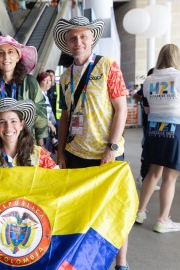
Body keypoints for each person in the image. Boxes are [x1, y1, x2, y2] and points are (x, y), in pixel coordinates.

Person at [52, 16, 129, 270]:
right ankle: (82, 260)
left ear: (92, 39)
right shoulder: (64, 77)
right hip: (75, 153)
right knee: (82, 210)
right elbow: (65, 116)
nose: (78, 42)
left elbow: (121, 109)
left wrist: (113, 147)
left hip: (105, 154)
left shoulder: (108, 66)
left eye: (83, 36)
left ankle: (122, 263)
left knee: (114, 209)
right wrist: (61, 152)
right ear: (66, 42)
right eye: (73, 37)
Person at [136, 44, 180, 233]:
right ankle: (163, 220)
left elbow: (147, 110)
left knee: (152, 172)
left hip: (155, 130)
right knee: (170, 178)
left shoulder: (149, 79)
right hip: (178, 130)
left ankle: (140, 212)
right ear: (177, 58)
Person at [0, 35, 48, 149]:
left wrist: (41, 145)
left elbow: (40, 114)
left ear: (18, 57)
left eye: (10, 52)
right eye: (1, 53)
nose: (6, 57)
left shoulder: (30, 82)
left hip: (26, 146)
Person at [0, 98, 57, 169]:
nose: (8, 127)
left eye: (13, 121)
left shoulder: (39, 155)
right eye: (2, 122)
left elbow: (58, 180)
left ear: (21, 125)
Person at [36, 72, 57, 152]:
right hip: (42, 132)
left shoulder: (45, 94)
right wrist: (51, 125)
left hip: (46, 131)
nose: (48, 83)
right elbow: (40, 114)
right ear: (39, 81)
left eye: (49, 80)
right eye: (45, 80)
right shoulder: (39, 95)